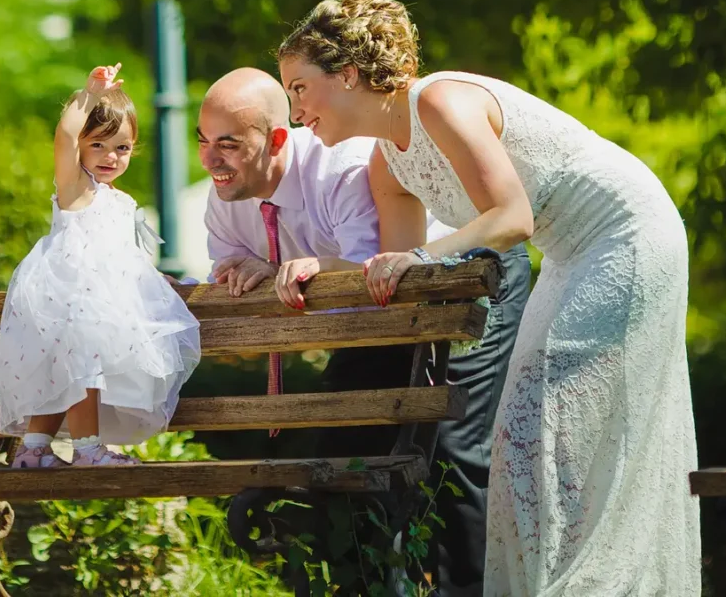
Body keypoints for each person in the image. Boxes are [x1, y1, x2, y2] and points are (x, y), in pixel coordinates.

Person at [277, 0, 700, 597]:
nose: (294, 111)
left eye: (298, 88)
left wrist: (421, 256)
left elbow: (511, 216)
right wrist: (320, 267)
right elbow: (393, 270)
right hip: (565, 253)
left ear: (346, 75)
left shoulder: (440, 101)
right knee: (518, 438)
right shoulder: (385, 165)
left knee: (541, 421)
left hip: (625, 231)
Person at [198, 66, 530, 597]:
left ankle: (469, 591)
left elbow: (370, 277)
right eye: (203, 141)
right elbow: (235, 275)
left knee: (451, 453)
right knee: (338, 461)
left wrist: (307, 269)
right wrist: (246, 274)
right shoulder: (227, 196)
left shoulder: (342, 168)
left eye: (229, 144)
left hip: (463, 284)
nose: (211, 159)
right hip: (377, 318)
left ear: (277, 139)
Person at [0, 63, 200, 469]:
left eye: (122, 148)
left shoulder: (118, 201)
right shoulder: (76, 189)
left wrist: (159, 281)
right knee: (80, 370)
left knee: (69, 372)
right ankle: (87, 449)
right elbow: (65, 134)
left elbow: (122, 257)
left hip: (101, 305)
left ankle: (35, 449)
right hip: (69, 299)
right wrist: (89, 93)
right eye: (99, 145)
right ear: (81, 149)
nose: (111, 157)